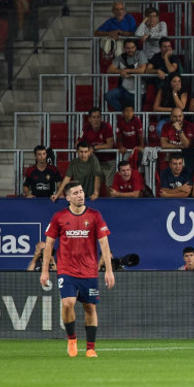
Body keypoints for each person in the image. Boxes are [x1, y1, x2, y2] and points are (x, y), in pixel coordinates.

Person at [40, 181, 114, 358]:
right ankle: (72, 339)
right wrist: (45, 271)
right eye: (75, 193)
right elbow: (49, 244)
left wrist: (109, 270)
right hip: (67, 269)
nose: (80, 195)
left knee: (89, 308)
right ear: (67, 198)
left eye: (81, 191)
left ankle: (90, 348)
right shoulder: (59, 217)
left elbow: (104, 243)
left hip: (89, 270)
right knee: (68, 303)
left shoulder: (95, 216)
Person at [76, 107, 115, 187]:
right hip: (94, 162)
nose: (96, 120)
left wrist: (94, 148)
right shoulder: (85, 128)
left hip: (109, 161)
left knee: (109, 187)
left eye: (98, 117)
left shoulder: (107, 127)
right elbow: (77, 144)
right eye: (94, 117)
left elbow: (110, 145)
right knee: (92, 186)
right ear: (89, 119)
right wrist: (86, 149)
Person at [105, 39, 148, 112]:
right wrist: (121, 71)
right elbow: (110, 69)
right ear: (124, 48)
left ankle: (127, 114)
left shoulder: (140, 54)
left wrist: (127, 71)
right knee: (109, 96)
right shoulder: (121, 57)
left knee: (136, 113)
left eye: (132, 47)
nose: (130, 50)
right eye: (128, 48)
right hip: (124, 89)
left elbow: (142, 70)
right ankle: (123, 112)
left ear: (136, 47)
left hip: (138, 91)